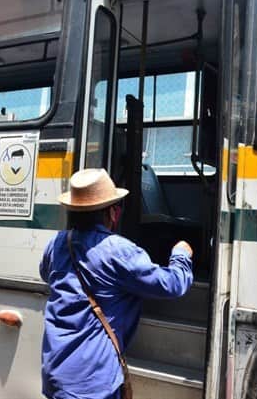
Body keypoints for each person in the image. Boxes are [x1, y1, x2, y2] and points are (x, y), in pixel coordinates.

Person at [40, 168, 193, 399]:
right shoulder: (119, 251)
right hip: (91, 384)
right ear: (113, 212)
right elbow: (171, 285)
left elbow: (46, 273)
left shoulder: (57, 243)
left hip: (56, 374)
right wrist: (181, 254)